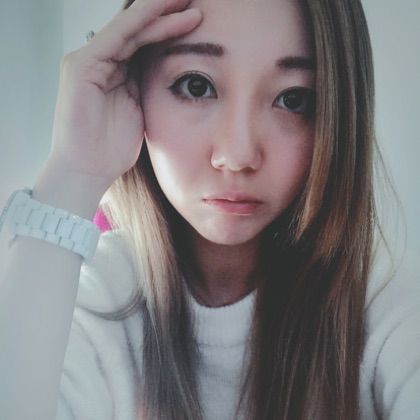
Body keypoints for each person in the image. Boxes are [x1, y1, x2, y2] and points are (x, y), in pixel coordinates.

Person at [1, 0, 419, 419]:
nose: (237, 155)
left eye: (293, 99)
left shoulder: (388, 305)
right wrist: (74, 173)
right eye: (197, 86)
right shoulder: (88, 298)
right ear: (135, 87)